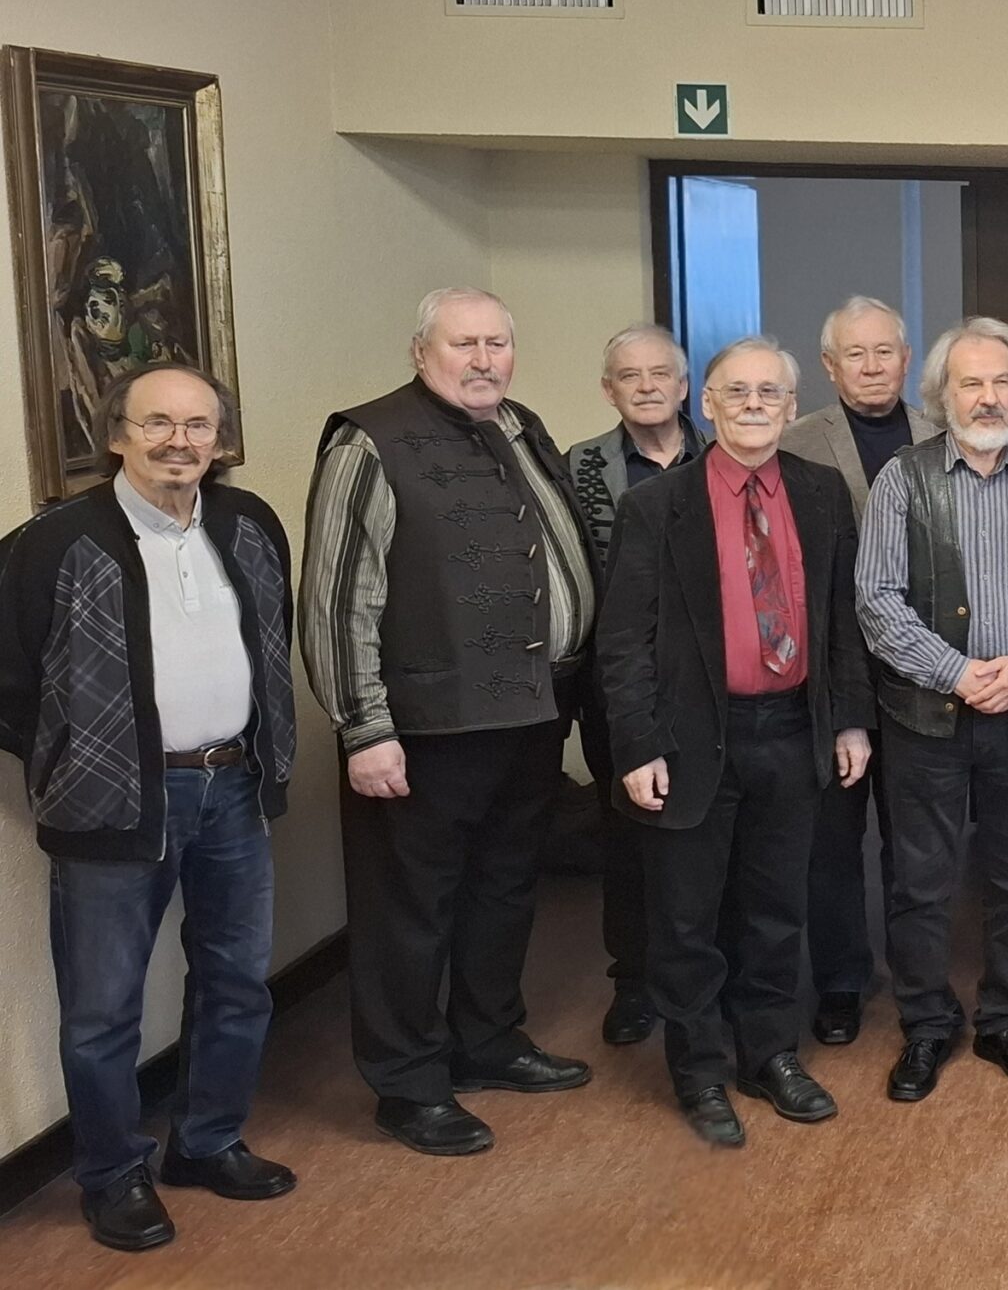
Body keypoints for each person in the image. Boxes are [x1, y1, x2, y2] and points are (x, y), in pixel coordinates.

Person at [0, 366, 298, 1253]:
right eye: (157, 422)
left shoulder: (249, 523)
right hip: (110, 801)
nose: (180, 441)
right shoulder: (52, 541)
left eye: (198, 424)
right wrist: (66, 755)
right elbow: (9, 677)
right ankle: (111, 1174)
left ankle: (207, 1141)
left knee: (237, 981)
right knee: (103, 1010)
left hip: (233, 784)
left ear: (220, 438)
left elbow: (272, 640)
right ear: (116, 435)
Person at [302, 288, 594, 1157]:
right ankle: (409, 1083)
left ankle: (489, 1040)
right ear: (419, 349)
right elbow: (337, 597)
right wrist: (364, 727)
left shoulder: (521, 424)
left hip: (531, 713)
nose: (483, 358)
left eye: (497, 342)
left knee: (504, 886)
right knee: (408, 908)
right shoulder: (368, 440)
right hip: (425, 728)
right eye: (463, 342)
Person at [597, 338, 876, 1148]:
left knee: (776, 909)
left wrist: (850, 718)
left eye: (770, 392)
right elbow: (624, 640)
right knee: (686, 918)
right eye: (737, 391)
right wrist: (637, 744)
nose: (754, 404)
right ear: (707, 404)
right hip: (692, 741)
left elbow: (842, 619)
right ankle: (698, 1070)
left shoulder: (821, 492)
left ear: (792, 407)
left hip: (791, 731)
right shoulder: (656, 506)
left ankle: (769, 1053)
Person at [857, 318, 1008, 1103]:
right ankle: (926, 1025)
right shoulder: (903, 478)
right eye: (971, 382)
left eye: (1002, 381)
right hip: (926, 718)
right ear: (943, 394)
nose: (988, 396)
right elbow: (877, 598)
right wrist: (958, 673)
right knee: (921, 882)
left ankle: (1004, 1020)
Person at [780, 294, 937, 1049]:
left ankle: (919, 977)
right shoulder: (794, 443)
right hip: (832, 670)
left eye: (885, 351)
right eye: (855, 353)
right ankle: (841, 980)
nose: (872, 366)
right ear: (829, 364)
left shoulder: (943, 434)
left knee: (915, 839)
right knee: (832, 841)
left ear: (906, 359)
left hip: (925, 672)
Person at [565, 323, 703, 1049]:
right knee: (628, 833)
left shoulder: (724, 455)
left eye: (660, 374)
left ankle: (710, 975)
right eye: (629, 375)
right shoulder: (577, 467)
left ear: (684, 385)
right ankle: (635, 980)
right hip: (617, 682)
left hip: (710, 684)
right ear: (608, 389)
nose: (647, 386)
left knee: (711, 831)